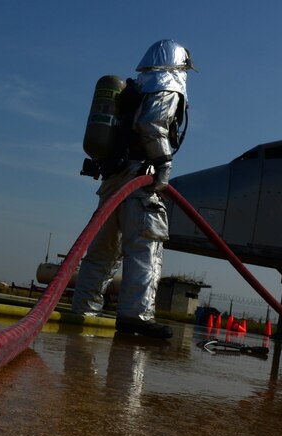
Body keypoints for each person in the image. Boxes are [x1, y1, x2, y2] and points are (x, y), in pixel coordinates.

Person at [71, 39, 195, 339]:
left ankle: (82, 312)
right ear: (179, 64)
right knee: (145, 246)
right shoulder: (167, 86)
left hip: (113, 179)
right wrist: (164, 163)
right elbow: (152, 124)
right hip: (140, 179)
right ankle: (135, 316)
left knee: (102, 252)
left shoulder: (136, 87)